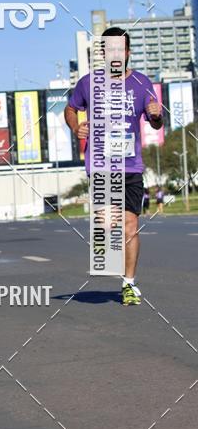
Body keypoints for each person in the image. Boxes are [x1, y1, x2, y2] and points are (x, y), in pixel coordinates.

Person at [65, 27, 163, 306]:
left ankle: (129, 284)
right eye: (110, 50)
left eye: (121, 50)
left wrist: (156, 116)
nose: (116, 55)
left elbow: (156, 120)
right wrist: (76, 126)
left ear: (128, 53)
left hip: (131, 165)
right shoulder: (88, 84)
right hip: (100, 164)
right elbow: (71, 108)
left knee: (131, 225)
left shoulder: (143, 83)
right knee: (109, 224)